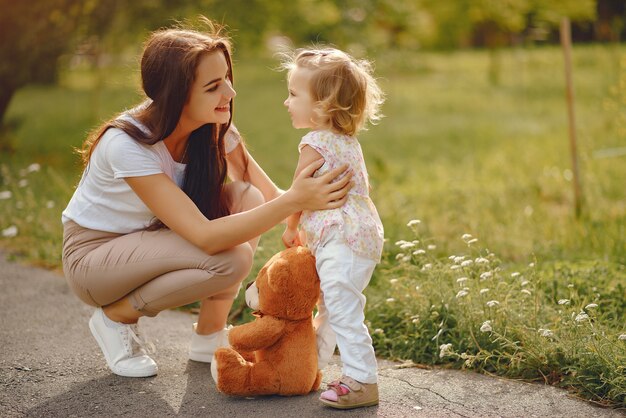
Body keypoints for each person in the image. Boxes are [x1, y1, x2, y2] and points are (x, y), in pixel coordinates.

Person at [61, 20, 352, 379]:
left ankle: (208, 336)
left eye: (227, 79)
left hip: (153, 240)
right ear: (176, 95)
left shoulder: (214, 127)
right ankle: (115, 316)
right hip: (96, 260)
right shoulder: (126, 145)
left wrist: (332, 226)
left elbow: (270, 198)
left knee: (247, 196)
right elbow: (207, 237)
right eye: (213, 86)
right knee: (230, 258)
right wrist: (294, 201)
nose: (229, 93)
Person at [280, 47, 385, 409]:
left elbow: (298, 192)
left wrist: (291, 227)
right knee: (332, 307)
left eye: (294, 94)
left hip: (341, 238)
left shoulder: (315, 142)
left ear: (323, 105)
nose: (286, 102)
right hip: (360, 236)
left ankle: (362, 380)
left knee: (341, 309)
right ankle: (312, 369)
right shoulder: (347, 142)